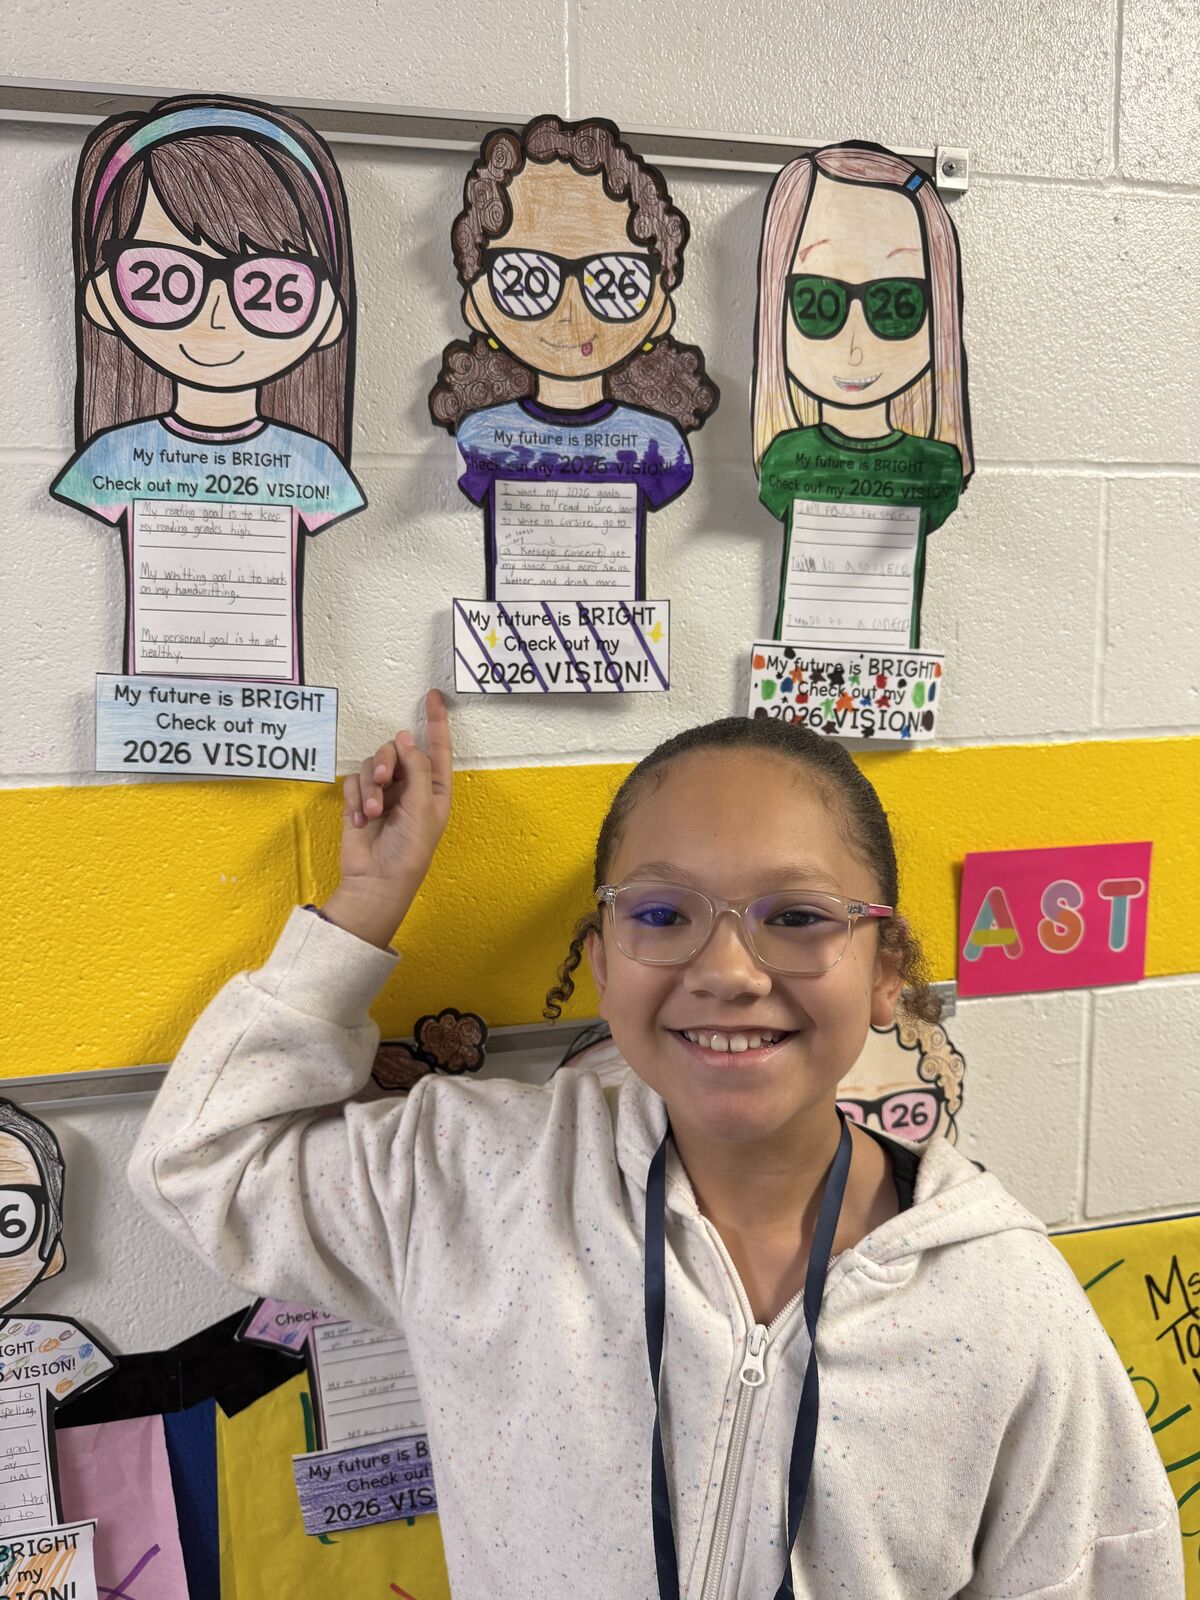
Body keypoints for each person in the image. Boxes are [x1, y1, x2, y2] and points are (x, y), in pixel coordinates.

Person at [129, 693, 1182, 1597]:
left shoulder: (1001, 1301)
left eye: (798, 916)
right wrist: (363, 909)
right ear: (601, 964)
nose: (727, 970)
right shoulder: (477, 1179)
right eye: (664, 912)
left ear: (885, 973)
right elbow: (202, 1162)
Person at [52, 93, 365, 684]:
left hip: (270, 714)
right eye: (164, 280)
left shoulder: (315, 466)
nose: (217, 319)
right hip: (158, 704)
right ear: (102, 295)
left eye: (269, 289)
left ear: (327, 312)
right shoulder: (110, 459)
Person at [429, 116, 717, 603]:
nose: (569, 313)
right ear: (476, 302)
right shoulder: (481, 438)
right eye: (525, 279)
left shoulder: (660, 445)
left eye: (615, 282)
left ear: (660, 309)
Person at [753, 142, 973, 648]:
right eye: (817, 303)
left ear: (938, 306)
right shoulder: (785, 462)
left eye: (896, 305)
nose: (855, 347)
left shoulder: (936, 470)